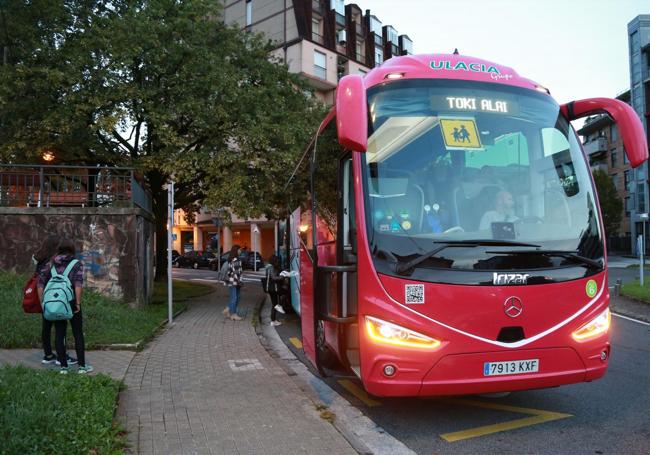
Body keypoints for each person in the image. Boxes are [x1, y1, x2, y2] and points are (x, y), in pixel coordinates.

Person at [37, 239, 92, 374]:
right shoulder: (76, 264)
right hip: (71, 301)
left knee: (59, 333)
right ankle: (82, 367)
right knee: (77, 333)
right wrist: (78, 303)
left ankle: (63, 367)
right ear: (72, 250)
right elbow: (78, 284)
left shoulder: (50, 264)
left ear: (59, 249)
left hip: (55, 303)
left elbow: (40, 284)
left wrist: (43, 303)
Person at [33, 236, 77, 367]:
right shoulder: (53, 261)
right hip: (58, 297)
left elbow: (39, 282)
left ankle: (48, 355)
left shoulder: (40, 260)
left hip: (46, 298)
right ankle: (61, 357)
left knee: (46, 327)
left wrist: (41, 301)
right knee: (60, 328)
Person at [265, 255, 287, 326]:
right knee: (285, 293)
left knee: (274, 304)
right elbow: (274, 278)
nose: (278, 262)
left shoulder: (268, 267)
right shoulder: (271, 267)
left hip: (270, 288)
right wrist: (282, 277)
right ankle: (279, 305)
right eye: (277, 261)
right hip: (274, 288)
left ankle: (273, 321)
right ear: (274, 261)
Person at [223, 245, 243, 321]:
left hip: (233, 281)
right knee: (235, 297)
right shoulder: (235, 260)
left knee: (236, 297)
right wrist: (239, 281)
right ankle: (233, 314)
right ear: (236, 250)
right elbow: (236, 272)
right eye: (239, 249)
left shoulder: (232, 259)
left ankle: (228, 309)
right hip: (234, 281)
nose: (240, 251)